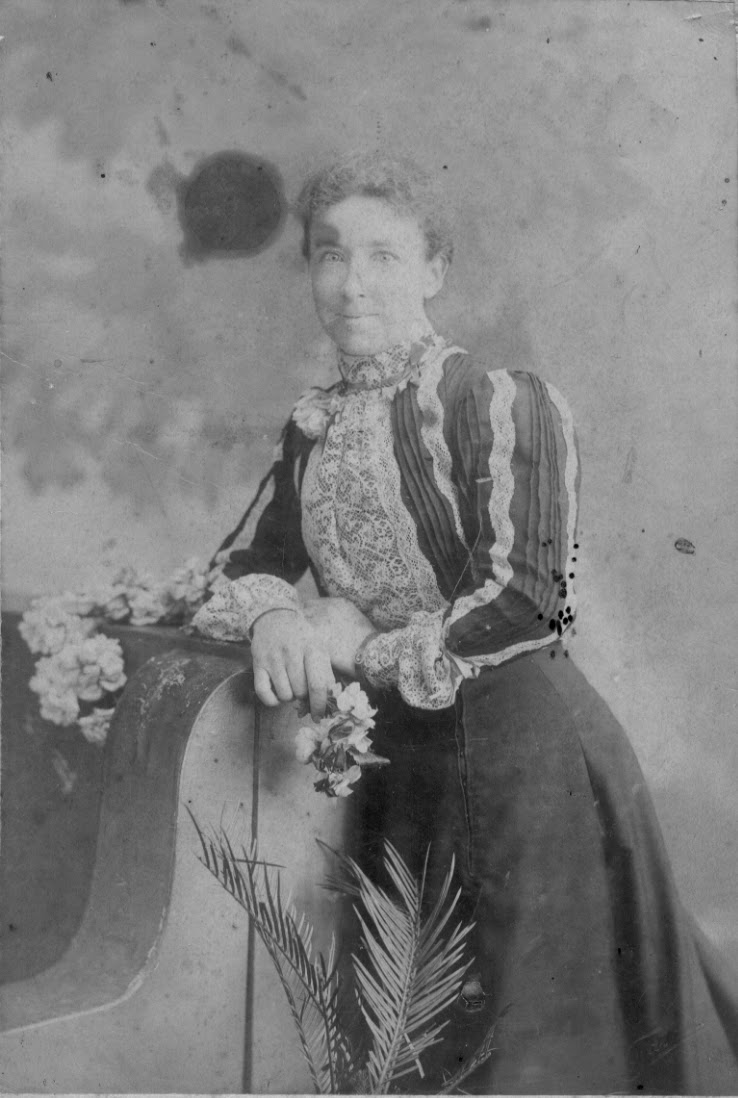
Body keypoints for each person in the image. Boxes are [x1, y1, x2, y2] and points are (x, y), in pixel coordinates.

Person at [193, 153, 738, 1093]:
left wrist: (359, 643)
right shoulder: (314, 426)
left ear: (434, 269)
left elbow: (529, 600)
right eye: (330, 255)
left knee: (531, 1048)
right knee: (414, 1036)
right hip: (400, 772)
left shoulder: (497, 401)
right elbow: (240, 566)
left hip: (520, 755)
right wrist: (276, 616)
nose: (352, 284)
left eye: (384, 257)